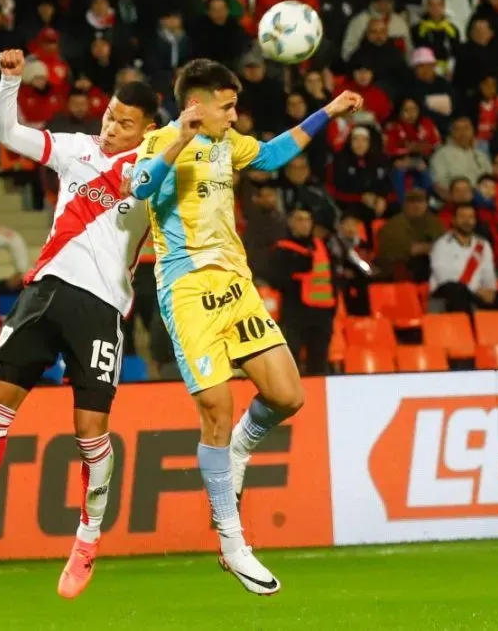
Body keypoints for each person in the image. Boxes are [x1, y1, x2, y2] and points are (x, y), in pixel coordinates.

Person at [127, 57, 362, 594]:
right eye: (227, 106)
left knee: (287, 395)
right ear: (197, 104)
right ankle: (233, 544)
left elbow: (276, 152)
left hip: (237, 286)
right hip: (187, 291)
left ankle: (239, 450)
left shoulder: (229, 144)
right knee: (215, 411)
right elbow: (137, 190)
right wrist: (177, 141)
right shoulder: (159, 140)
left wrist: (329, 110)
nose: (234, 117)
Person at [0, 49, 160, 600]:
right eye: (109, 115)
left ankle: (87, 539)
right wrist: (10, 81)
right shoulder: (76, 150)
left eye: (124, 123)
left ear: (148, 130)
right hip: (43, 293)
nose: (110, 127)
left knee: (90, 434)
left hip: (101, 308)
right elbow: (5, 131)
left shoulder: (160, 171)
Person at [268, 208, 337, 376]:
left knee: (319, 361)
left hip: (322, 315)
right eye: (299, 219)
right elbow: (275, 278)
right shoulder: (282, 248)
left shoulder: (322, 246)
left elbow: (331, 277)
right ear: (290, 222)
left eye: (307, 219)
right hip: (295, 313)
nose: (304, 223)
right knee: (292, 359)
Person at [429, 204, 498, 312]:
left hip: (477, 294)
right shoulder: (441, 245)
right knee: (457, 291)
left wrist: (490, 291)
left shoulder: (483, 245)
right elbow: (444, 277)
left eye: (470, 217)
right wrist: (476, 289)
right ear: (454, 220)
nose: (467, 221)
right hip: (447, 295)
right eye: (462, 217)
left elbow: (488, 272)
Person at [375, 188, 446, 282]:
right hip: (403, 268)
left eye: (420, 202)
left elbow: (444, 243)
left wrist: (429, 248)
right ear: (404, 205)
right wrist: (412, 249)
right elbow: (387, 253)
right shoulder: (393, 225)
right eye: (412, 202)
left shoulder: (434, 222)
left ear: (426, 204)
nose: (416, 206)